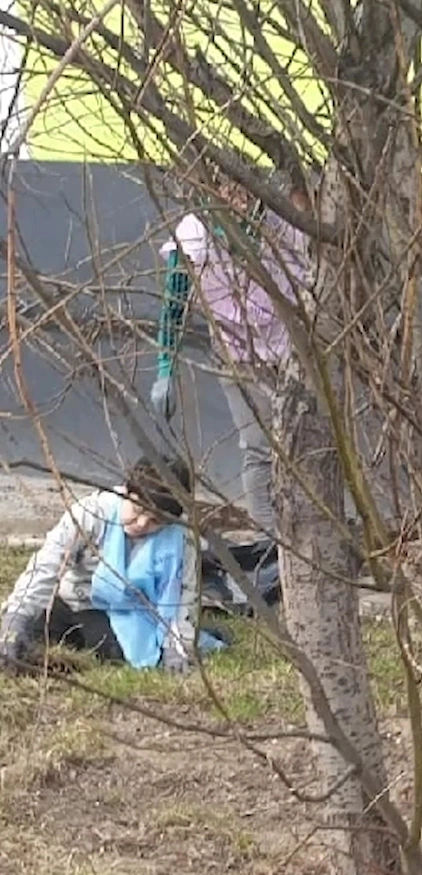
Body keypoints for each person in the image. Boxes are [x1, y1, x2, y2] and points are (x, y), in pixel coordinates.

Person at [149, 166, 311, 547]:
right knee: (258, 448)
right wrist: (164, 368)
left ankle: (305, 544)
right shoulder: (196, 233)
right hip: (237, 353)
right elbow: (174, 302)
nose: (235, 198)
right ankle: (271, 549)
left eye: (243, 188)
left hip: (292, 351)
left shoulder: (282, 222)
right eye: (224, 188)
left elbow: (312, 280)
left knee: (301, 449)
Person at [0, 456, 210, 672]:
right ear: (127, 491)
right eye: (137, 511)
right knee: (28, 633)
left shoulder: (181, 539)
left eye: (156, 521)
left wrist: (177, 646)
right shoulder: (93, 512)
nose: (141, 525)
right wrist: (16, 618)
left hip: (124, 613)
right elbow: (47, 564)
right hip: (69, 600)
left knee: (114, 653)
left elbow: (183, 596)